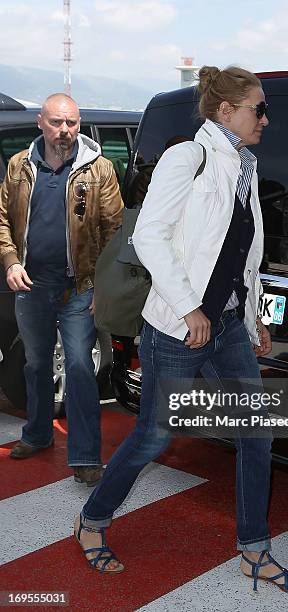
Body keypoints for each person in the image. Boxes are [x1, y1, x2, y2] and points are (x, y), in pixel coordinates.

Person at [74, 66, 288, 596]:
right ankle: (93, 519)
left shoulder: (246, 165)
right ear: (225, 110)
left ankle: (254, 549)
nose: (266, 119)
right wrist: (188, 309)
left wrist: (252, 321)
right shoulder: (189, 158)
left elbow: (245, 256)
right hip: (176, 326)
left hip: (227, 325)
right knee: (155, 436)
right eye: (259, 108)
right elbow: (150, 239)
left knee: (258, 434)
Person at [0, 93, 123, 486]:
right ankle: (37, 434)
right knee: (35, 365)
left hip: (80, 288)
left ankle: (85, 456)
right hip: (31, 284)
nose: (64, 131)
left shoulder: (99, 169)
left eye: (71, 123)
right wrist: (10, 262)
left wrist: (103, 286)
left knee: (80, 368)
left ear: (79, 123)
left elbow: (114, 232)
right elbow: (3, 219)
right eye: (56, 122)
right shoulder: (19, 166)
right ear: (41, 122)